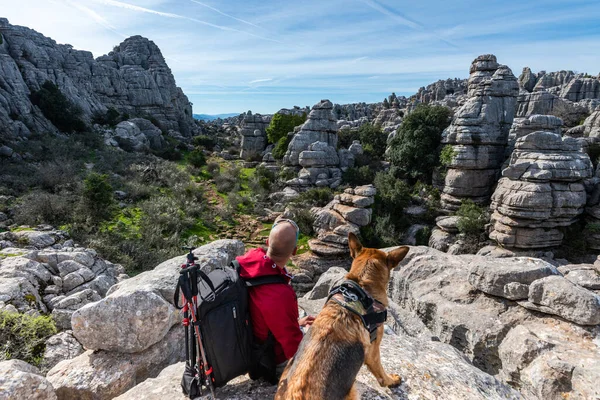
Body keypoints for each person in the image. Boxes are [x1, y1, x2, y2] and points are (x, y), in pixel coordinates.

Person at [236, 218, 315, 381]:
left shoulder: (246, 263)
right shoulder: (279, 293)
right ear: (294, 251)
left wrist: (295, 323)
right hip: (269, 359)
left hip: (249, 340)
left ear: (267, 242)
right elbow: (293, 347)